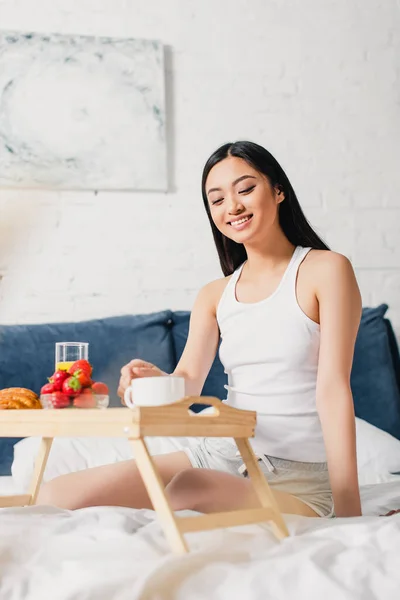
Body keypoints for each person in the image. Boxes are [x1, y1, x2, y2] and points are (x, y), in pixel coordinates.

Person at [38, 141, 362, 518]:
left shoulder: (327, 270)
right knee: (55, 494)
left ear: (278, 190)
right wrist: (152, 379)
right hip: (219, 454)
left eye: (245, 189)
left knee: (190, 487)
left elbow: (334, 388)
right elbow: (187, 384)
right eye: (217, 199)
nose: (233, 207)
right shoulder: (214, 295)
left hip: (297, 476)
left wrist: (349, 509)